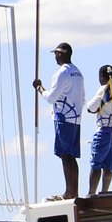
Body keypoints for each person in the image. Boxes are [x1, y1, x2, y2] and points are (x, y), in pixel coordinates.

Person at [33, 41, 84, 199]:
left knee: (65, 155)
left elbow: (51, 97)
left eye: (56, 53)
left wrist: (39, 87)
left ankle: (70, 192)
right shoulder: (77, 72)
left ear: (61, 54)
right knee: (71, 156)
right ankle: (72, 190)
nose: (55, 56)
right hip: (75, 118)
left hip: (63, 117)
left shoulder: (62, 73)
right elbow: (82, 97)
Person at [83, 65, 112, 196]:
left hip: (105, 131)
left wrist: (99, 107)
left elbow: (90, 108)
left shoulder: (105, 88)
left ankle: (91, 194)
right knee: (109, 168)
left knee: (96, 164)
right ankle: (104, 193)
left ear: (102, 77)